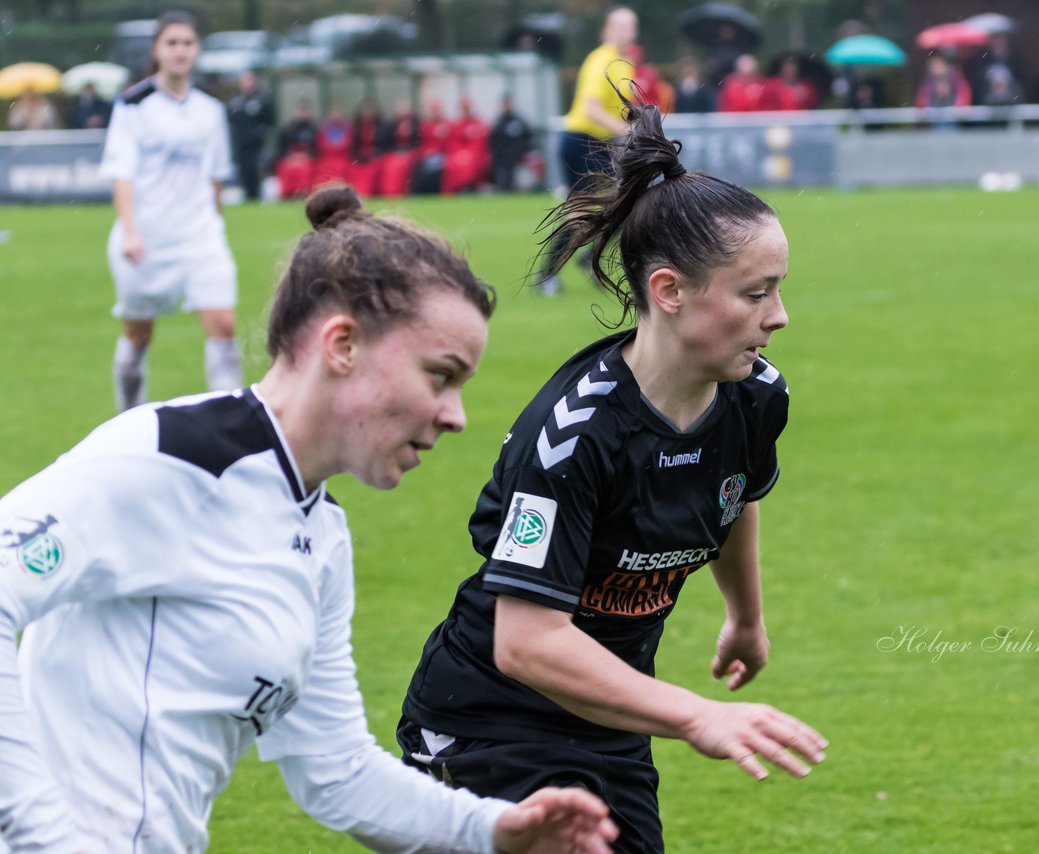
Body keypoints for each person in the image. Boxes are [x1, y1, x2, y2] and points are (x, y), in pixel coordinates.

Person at [0, 184, 619, 854]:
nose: (456, 415)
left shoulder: (320, 535)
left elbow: (338, 771)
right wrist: (47, 837)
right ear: (343, 344)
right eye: (441, 375)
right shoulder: (168, 459)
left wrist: (494, 829)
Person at [397, 94, 827, 854]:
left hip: (610, 728)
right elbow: (526, 642)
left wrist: (747, 618)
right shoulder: (575, 437)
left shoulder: (756, 395)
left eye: (779, 288)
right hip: (487, 725)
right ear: (668, 291)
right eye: (756, 293)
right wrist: (695, 715)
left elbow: (733, 499)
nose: (780, 315)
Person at [99, 11, 243, 412]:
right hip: (147, 240)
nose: (181, 51)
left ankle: (228, 423)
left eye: (188, 43)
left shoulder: (211, 109)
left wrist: (216, 223)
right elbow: (121, 174)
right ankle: (126, 418)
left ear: (197, 50)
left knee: (224, 328)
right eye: (172, 43)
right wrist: (130, 231)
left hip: (200, 236)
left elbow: (215, 175)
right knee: (138, 335)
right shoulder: (133, 105)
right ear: (157, 50)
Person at [536, 5, 637, 296]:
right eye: (620, 26)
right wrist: (626, 131)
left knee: (626, 204)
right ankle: (548, 276)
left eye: (630, 26)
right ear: (606, 31)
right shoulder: (600, 61)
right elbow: (592, 110)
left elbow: (619, 109)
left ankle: (588, 257)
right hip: (581, 142)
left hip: (599, 145)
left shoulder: (623, 62)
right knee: (581, 213)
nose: (626, 31)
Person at [227, 70, 275, 202]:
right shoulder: (235, 101)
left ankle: (257, 197)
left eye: (249, 80)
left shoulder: (262, 100)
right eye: (243, 81)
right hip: (241, 145)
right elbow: (231, 120)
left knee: (256, 171)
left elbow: (270, 120)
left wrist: (260, 133)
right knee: (244, 172)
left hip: (257, 145)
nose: (246, 84)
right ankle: (248, 197)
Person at [490, 94, 535, 192]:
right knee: (505, 182)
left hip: (519, 158)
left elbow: (528, 137)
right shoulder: (498, 122)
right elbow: (494, 141)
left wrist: (525, 151)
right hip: (503, 159)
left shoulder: (519, 120)